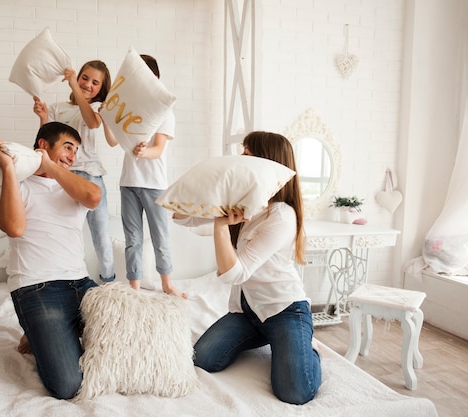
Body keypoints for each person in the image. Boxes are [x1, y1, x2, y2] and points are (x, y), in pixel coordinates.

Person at [175, 131, 321, 405]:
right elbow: (183, 219)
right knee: (205, 358)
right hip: (248, 312)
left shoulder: (281, 216)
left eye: (247, 154)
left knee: (295, 391)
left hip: (284, 310)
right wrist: (206, 189)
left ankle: (307, 349)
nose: (240, 159)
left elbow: (235, 273)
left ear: (267, 163)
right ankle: (270, 338)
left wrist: (220, 226)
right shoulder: (241, 205)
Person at [0, 121, 102, 400]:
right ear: (43, 146)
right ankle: (39, 335)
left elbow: (93, 197)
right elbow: (14, 228)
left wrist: (51, 166)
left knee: (126, 336)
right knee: (68, 385)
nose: (73, 156)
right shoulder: (15, 186)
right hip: (38, 289)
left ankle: (44, 335)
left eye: (76, 151)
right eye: (68, 147)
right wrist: (7, 167)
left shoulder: (72, 185)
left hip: (82, 284)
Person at [102, 54, 185, 299]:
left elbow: (158, 149)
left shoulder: (165, 113)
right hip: (128, 183)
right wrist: (106, 118)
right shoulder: (128, 110)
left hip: (154, 185)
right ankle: (135, 287)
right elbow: (112, 141)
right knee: (133, 239)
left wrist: (144, 151)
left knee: (160, 237)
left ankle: (167, 284)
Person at [33, 60, 116, 283]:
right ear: (78, 76)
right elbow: (48, 141)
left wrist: (74, 87)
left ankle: (108, 284)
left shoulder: (98, 108)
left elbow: (91, 122)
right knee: (61, 231)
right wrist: (43, 117)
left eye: (95, 82)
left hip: (90, 176)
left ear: (101, 88)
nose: (88, 84)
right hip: (62, 176)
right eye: (84, 78)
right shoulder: (59, 107)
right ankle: (62, 279)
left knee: (101, 235)